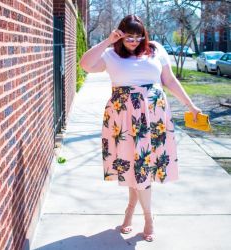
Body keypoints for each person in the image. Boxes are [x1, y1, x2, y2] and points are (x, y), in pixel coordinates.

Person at [79, 15, 201, 242]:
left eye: (139, 37)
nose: (134, 41)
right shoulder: (110, 54)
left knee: (142, 167)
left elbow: (170, 80)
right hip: (123, 118)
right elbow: (85, 64)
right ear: (121, 35)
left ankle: (138, 215)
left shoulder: (156, 50)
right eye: (129, 37)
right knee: (134, 167)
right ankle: (142, 215)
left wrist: (190, 106)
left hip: (154, 117)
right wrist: (108, 41)